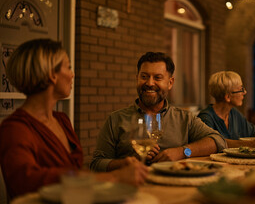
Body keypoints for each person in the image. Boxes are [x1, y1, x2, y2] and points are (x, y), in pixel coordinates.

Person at [0, 39, 148, 199]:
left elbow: (74, 172)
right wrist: (115, 177)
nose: (72, 74)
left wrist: (120, 166)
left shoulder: (62, 120)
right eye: (68, 67)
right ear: (52, 75)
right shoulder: (15, 129)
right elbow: (25, 182)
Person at [90, 52, 227, 172]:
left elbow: (218, 141)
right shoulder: (116, 119)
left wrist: (182, 152)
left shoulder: (184, 118)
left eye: (157, 77)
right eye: (144, 76)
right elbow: (96, 164)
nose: (150, 83)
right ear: (137, 78)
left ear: (170, 82)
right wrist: (125, 163)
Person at [197, 71, 255, 148]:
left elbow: (253, 132)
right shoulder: (205, 118)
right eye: (241, 89)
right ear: (228, 97)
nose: (245, 92)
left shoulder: (234, 113)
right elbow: (212, 143)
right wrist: (250, 144)